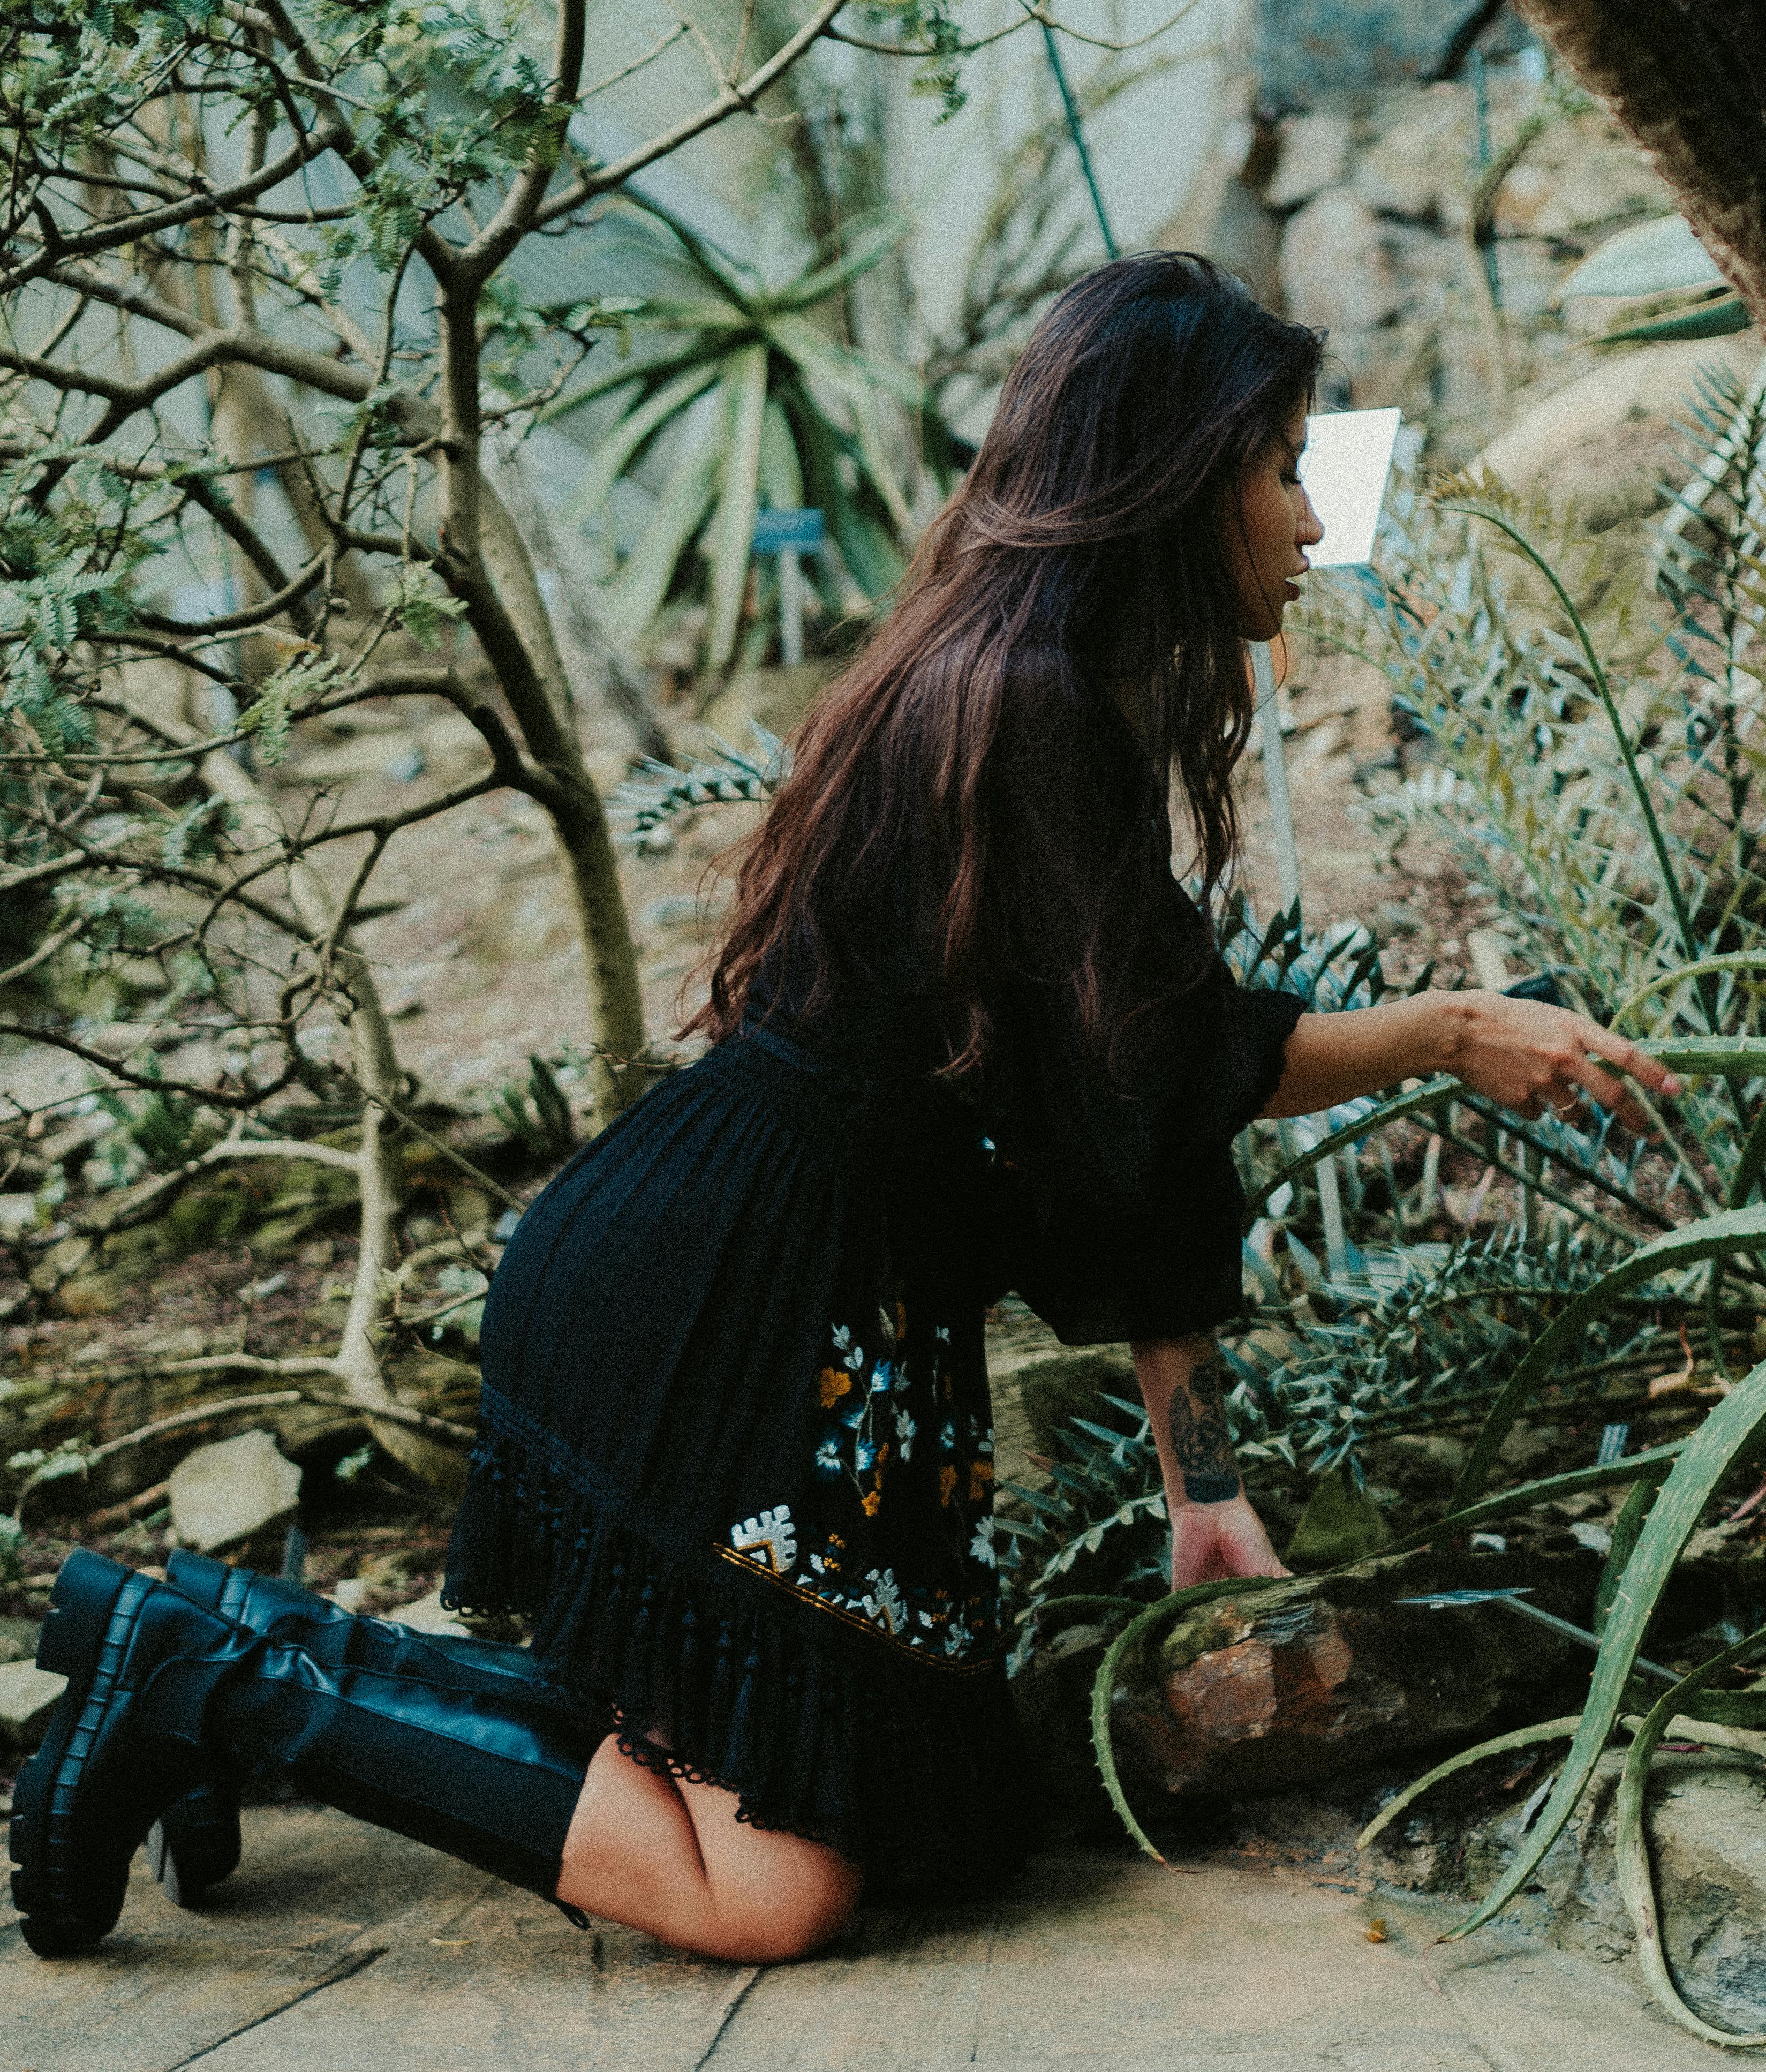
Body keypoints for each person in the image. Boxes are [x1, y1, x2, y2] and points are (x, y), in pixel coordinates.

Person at [8, 254, 1679, 1972]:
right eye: (1282, 471)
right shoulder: (1022, 708)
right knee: (777, 1895)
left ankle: (197, 1651)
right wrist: (1455, 1028)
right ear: (1177, 481)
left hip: (791, 1299)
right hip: (728, 1305)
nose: (1313, 522)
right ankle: (214, 1675)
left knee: (932, 1824)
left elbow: (1133, 1118)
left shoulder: (1038, 694)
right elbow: (1178, 1071)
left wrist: (1201, 1490)